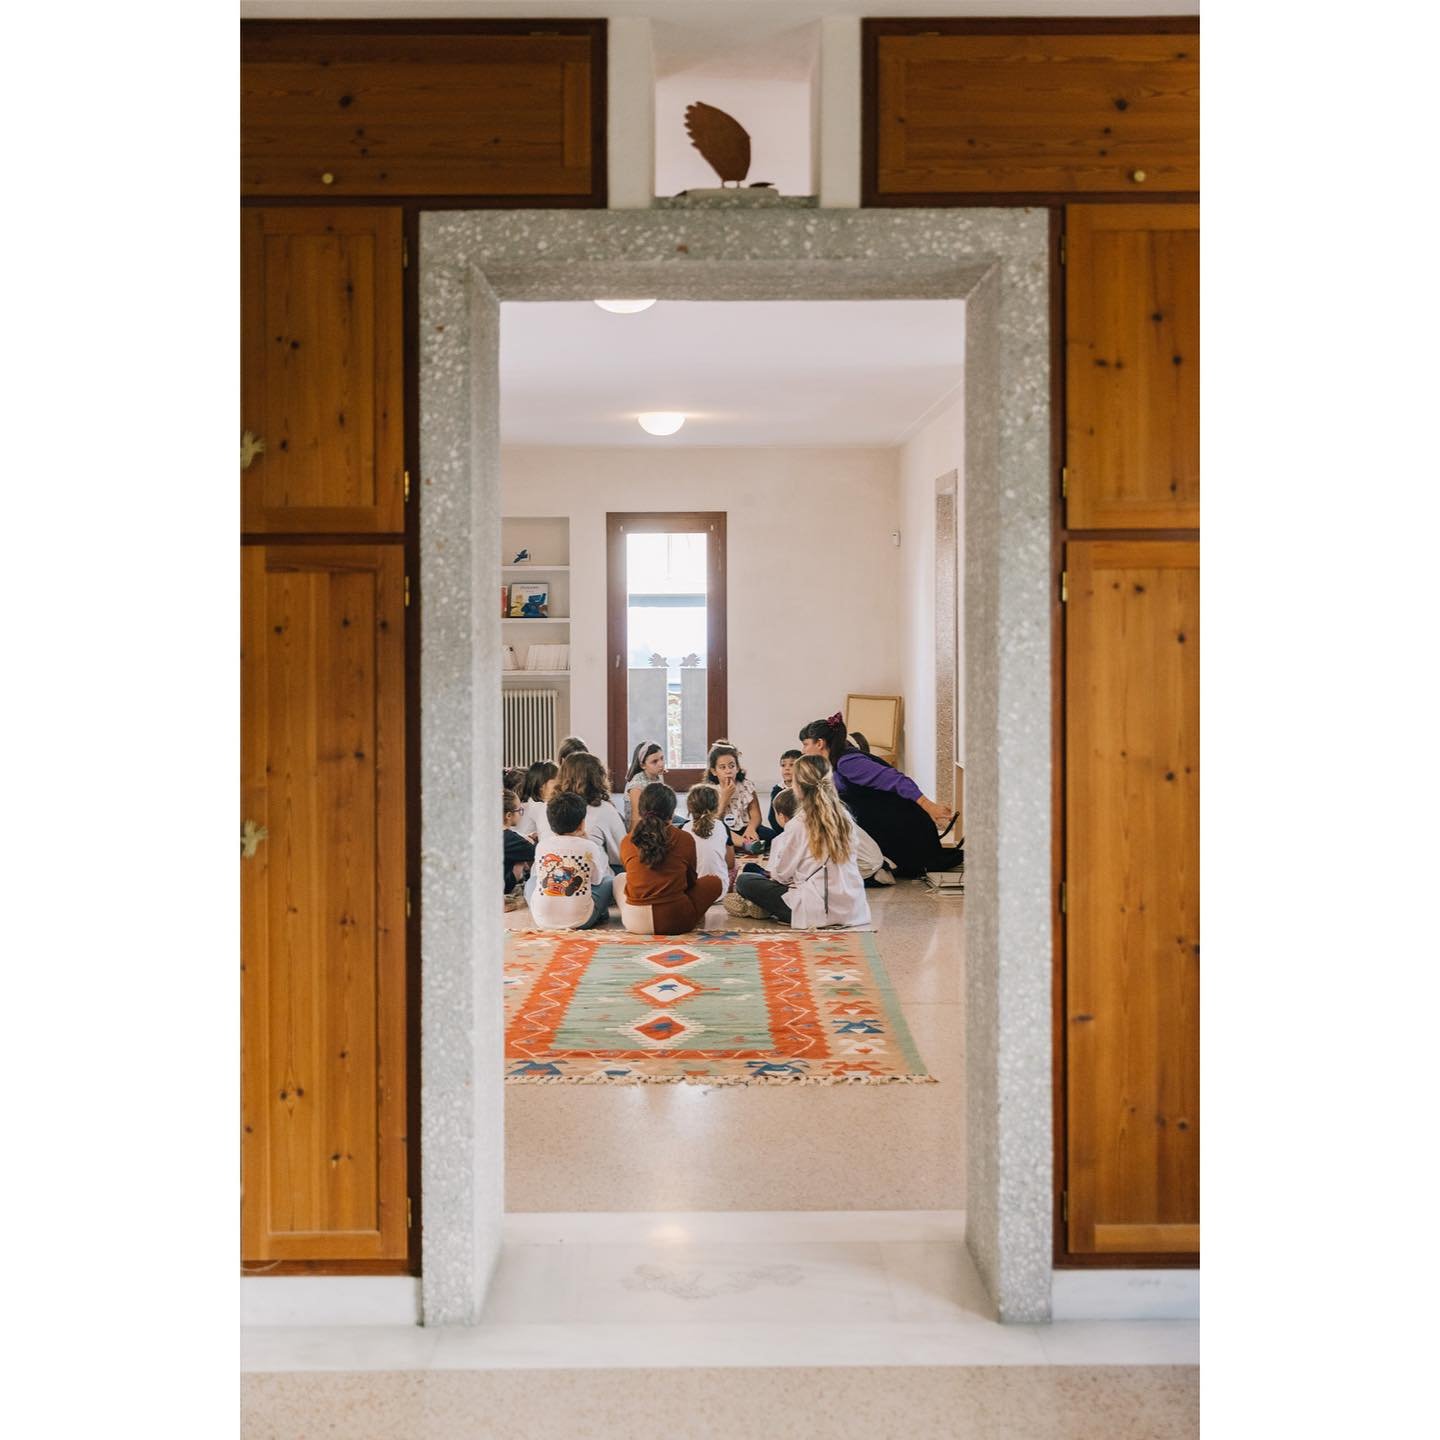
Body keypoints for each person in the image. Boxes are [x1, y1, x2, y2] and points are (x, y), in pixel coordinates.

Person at [797, 712, 961, 878]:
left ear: (820, 743)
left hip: (904, 825)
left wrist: (929, 806)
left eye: (805, 744)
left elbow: (897, 780)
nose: (803, 750)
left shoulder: (848, 763)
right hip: (886, 820)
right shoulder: (833, 762)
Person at [726, 755, 871, 929]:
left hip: (814, 910)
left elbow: (782, 875)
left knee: (745, 881)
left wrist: (778, 876)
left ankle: (763, 908)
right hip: (853, 908)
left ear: (798, 787)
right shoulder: (845, 817)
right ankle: (763, 908)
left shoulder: (798, 823)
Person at [617, 783, 723, 935]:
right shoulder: (685, 838)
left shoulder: (627, 841)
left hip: (634, 923)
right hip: (675, 921)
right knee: (714, 882)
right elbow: (691, 882)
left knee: (620, 879)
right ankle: (693, 915)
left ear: (640, 811)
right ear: (672, 813)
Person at [525, 790, 613, 930]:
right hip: (582, 921)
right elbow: (596, 881)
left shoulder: (542, 845)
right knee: (609, 881)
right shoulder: (590, 847)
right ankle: (600, 913)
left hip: (542, 921)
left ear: (550, 824)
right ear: (582, 824)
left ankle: (544, 909)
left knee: (531, 881)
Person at [555, 750, 627, 870]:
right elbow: (622, 854)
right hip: (589, 875)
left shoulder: (548, 807)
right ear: (598, 778)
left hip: (549, 873)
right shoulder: (604, 809)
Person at [706, 740, 762, 850]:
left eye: (731, 766)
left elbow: (756, 815)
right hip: (726, 829)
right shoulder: (710, 791)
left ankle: (742, 844)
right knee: (718, 832)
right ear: (714, 771)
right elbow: (712, 821)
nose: (728, 771)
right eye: (722, 767)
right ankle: (745, 844)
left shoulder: (746, 785)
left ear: (737, 768)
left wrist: (751, 829)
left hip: (745, 827)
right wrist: (725, 798)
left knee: (771, 835)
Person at [685, 782, 732, 895]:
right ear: (716, 807)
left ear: (690, 808)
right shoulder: (722, 826)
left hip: (691, 891)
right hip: (720, 891)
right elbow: (730, 863)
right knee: (736, 868)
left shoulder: (683, 829)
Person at [757, 748, 802, 846]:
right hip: (782, 830)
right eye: (783, 765)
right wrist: (783, 833)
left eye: (792, 765)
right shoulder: (777, 790)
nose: (787, 768)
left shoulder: (804, 789)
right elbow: (772, 817)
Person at [502, 788, 534, 911]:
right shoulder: (510, 838)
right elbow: (536, 852)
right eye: (520, 810)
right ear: (509, 815)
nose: (521, 814)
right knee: (521, 860)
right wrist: (530, 841)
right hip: (502, 886)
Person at [624, 740, 666, 830]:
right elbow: (636, 818)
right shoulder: (636, 786)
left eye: (662, 758)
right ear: (643, 765)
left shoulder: (658, 774)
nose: (661, 764)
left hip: (657, 817)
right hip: (643, 826)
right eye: (654, 761)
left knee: (686, 823)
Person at [517, 760, 559, 841]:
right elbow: (548, 838)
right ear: (541, 785)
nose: (560, 783)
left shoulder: (530, 803)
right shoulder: (541, 807)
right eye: (556, 780)